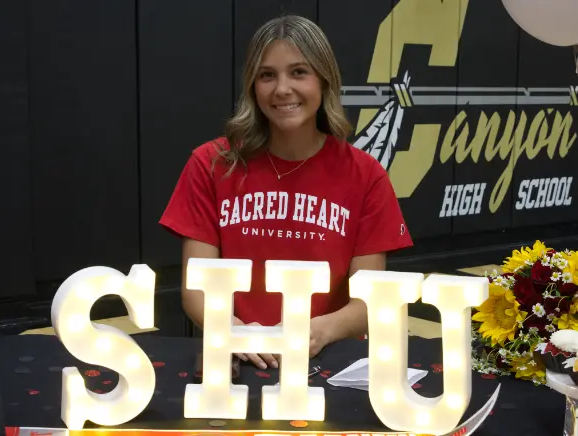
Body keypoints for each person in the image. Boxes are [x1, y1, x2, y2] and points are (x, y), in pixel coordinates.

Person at [159, 15, 413, 370]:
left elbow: (369, 301)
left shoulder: (366, 175)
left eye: (298, 72)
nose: (282, 89)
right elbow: (196, 290)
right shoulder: (211, 164)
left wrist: (319, 331)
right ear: (253, 86)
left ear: (324, 80)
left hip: (323, 360)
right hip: (239, 358)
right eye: (267, 75)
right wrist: (235, 331)